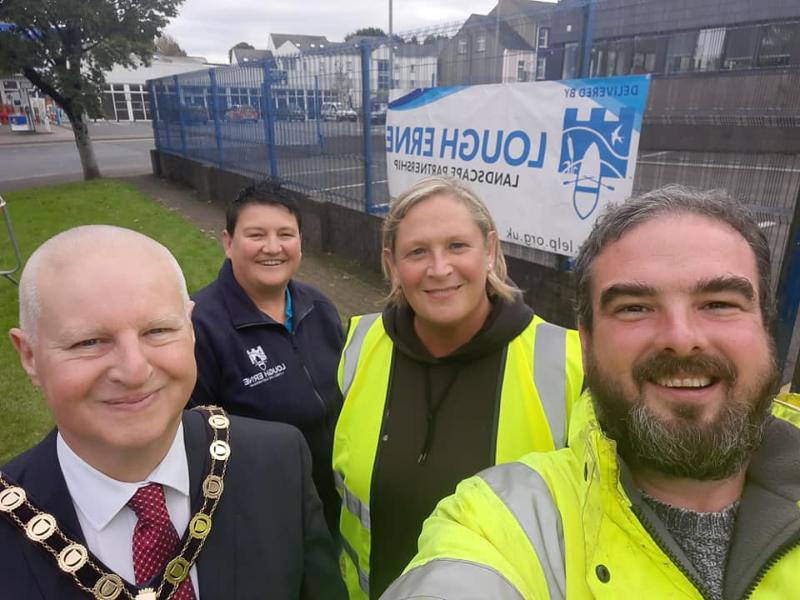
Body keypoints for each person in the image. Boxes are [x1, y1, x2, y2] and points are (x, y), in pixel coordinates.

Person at [383, 185, 800, 599]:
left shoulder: (552, 358)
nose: (681, 337)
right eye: (634, 307)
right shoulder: (497, 520)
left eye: (718, 303)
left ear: (766, 325)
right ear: (587, 341)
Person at [2, 225, 346, 600]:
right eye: (89, 341)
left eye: (158, 330)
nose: (134, 371)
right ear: (30, 356)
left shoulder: (278, 462)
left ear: (191, 328)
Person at [333, 176, 584, 599]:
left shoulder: (569, 363)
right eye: (417, 252)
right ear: (392, 264)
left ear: (490, 250)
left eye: (457, 246)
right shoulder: (357, 345)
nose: (439, 268)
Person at [190, 181, 344, 538]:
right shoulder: (201, 328)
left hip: (333, 500)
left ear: (300, 243)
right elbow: (193, 444)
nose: (272, 248)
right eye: (256, 234)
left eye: (285, 234)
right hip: (259, 516)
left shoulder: (318, 307)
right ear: (228, 243)